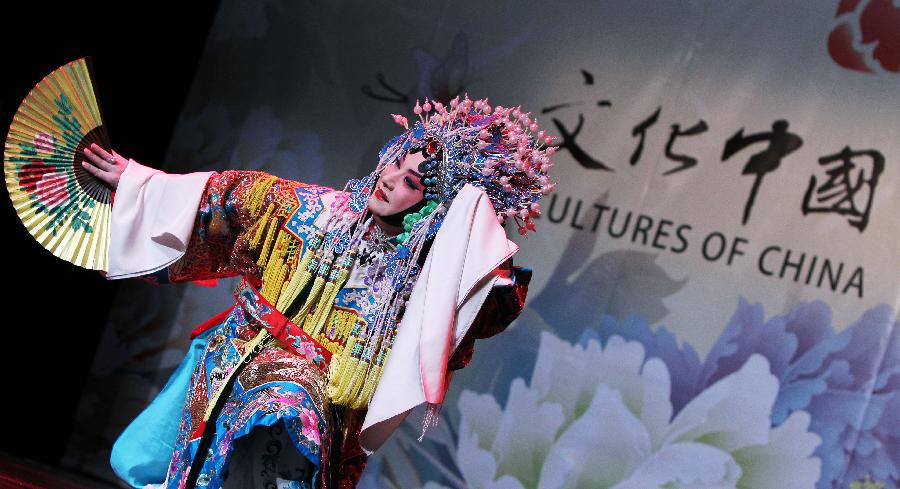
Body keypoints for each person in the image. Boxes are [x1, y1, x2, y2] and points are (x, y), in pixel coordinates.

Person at [81, 94, 556, 489]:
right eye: (394, 164)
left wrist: (475, 226)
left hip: (323, 405)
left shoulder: (425, 281)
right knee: (170, 451)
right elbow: (221, 196)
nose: (390, 180)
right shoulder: (312, 212)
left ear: (436, 205)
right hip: (238, 362)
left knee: (289, 408)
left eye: (411, 182)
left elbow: (490, 304)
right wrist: (137, 183)